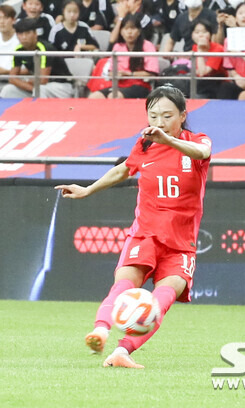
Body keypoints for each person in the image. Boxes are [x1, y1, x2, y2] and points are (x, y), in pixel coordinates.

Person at [55, 85, 212, 369]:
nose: (159, 123)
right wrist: (88, 190)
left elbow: (202, 152)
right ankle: (100, 330)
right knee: (123, 287)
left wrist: (169, 140)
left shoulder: (197, 141)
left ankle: (122, 352)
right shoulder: (144, 145)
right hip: (145, 234)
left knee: (161, 300)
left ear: (183, 115)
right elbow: (125, 169)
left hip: (181, 243)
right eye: (153, 116)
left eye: (167, 116)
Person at [88, 13, 158, 99]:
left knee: (114, 96)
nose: (129, 32)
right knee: (94, 96)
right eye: (126, 28)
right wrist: (116, 74)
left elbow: (151, 74)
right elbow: (110, 72)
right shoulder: (117, 46)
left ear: (139, 31)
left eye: (133, 28)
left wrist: (129, 74)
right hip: (119, 85)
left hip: (139, 85)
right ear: (121, 32)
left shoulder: (148, 46)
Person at [0, 18, 73, 98]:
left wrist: (30, 85)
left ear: (35, 34)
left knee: (40, 89)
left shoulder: (44, 48)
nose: (24, 37)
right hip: (37, 87)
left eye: (28, 33)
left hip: (61, 86)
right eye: (20, 34)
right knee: (8, 90)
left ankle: (40, 110)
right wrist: (29, 86)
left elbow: (43, 80)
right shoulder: (18, 50)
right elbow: (12, 78)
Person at [189, 18, 226, 98]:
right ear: (192, 35)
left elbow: (203, 72)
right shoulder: (195, 47)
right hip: (202, 83)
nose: (200, 35)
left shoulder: (218, 49)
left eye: (204, 32)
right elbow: (198, 71)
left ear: (210, 35)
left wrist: (200, 50)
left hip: (218, 83)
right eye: (197, 32)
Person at [0, 5, 19, 81]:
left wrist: (5, 71)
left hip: (13, 81)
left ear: (13, 20)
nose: (1, 22)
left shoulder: (21, 39)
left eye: (5, 18)